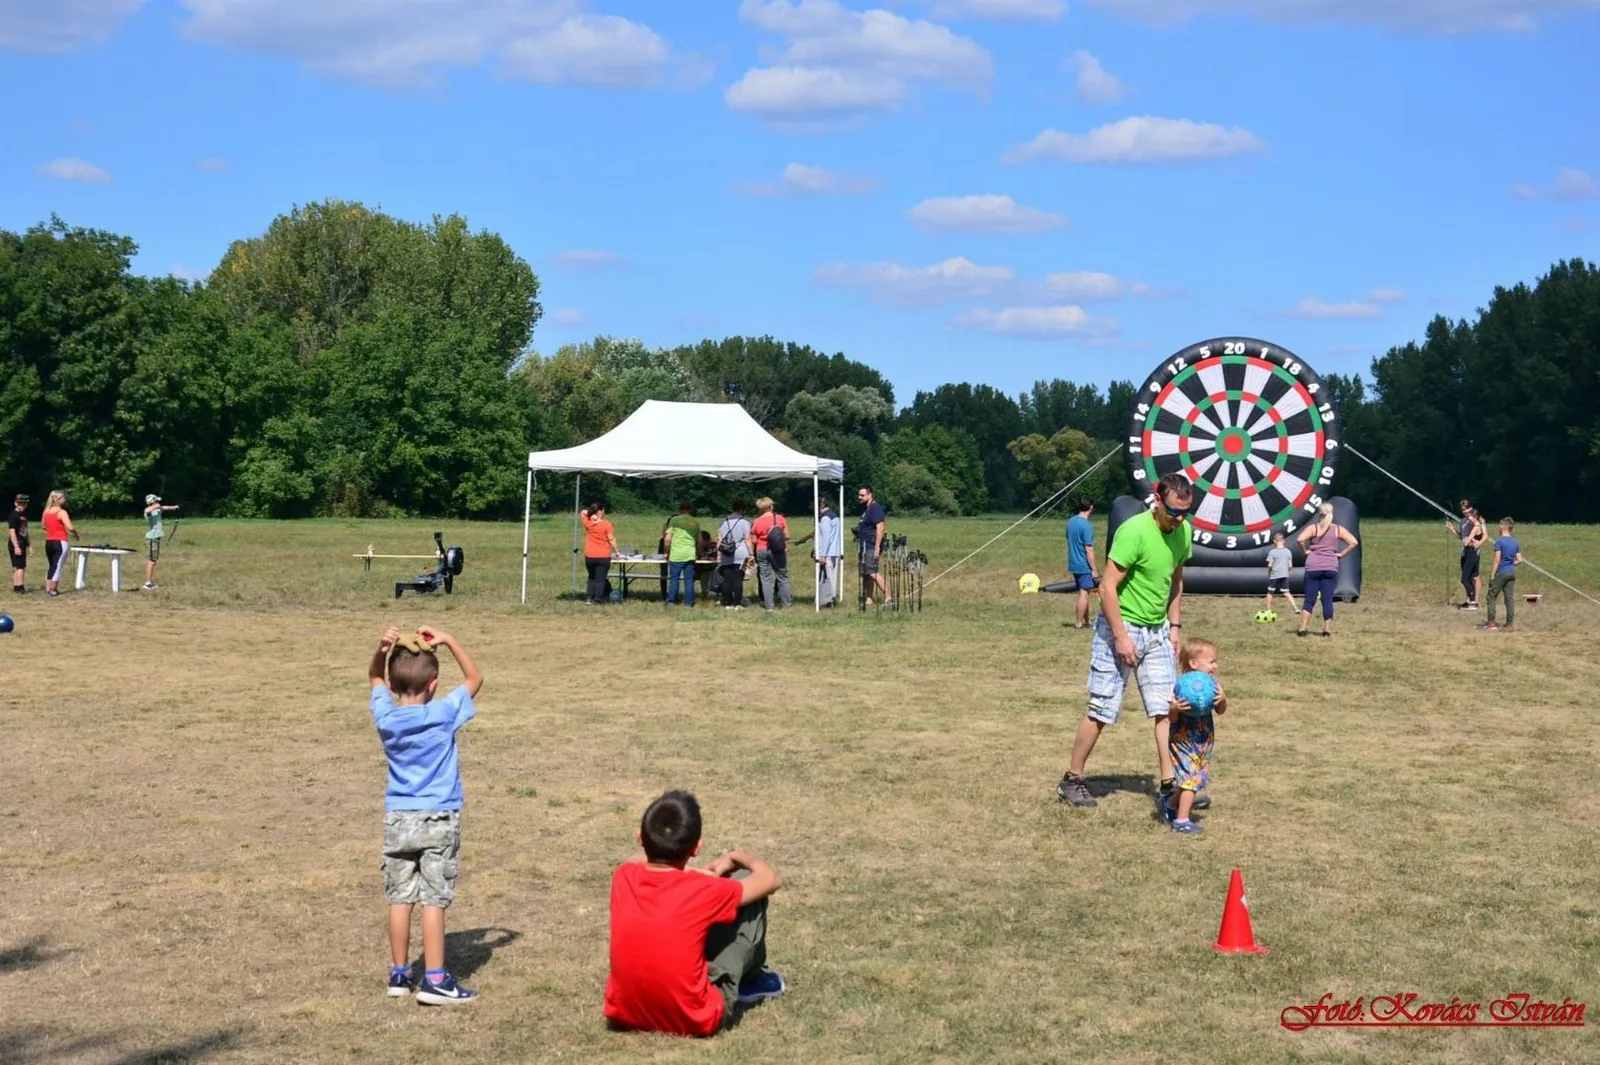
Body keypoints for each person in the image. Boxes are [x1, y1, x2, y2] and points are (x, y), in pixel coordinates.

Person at [1056, 473, 1194, 814]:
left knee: (1166, 708)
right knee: (1102, 708)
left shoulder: (1183, 532)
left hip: (1157, 630)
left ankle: (1168, 784)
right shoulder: (1133, 531)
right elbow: (1107, 588)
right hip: (1119, 627)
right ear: (1158, 500)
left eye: (1185, 513)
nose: (1179, 520)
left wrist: (1174, 626)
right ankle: (1072, 778)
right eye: (1174, 512)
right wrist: (1120, 637)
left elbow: (1176, 581)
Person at [603, 790, 785, 1037]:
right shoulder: (704, 890)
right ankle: (751, 980)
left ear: (640, 838)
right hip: (695, 1018)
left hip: (625, 1013)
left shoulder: (624, 876)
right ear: (696, 847)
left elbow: (635, 860)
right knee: (746, 886)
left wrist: (689, 870)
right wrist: (737, 857)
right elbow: (770, 880)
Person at [368, 625, 485, 1004]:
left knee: (399, 897)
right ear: (433, 684)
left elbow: (373, 676)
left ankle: (400, 974)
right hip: (439, 817)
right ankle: (435, 979)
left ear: (392, 683)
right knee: (434, 898)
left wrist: (383, 649)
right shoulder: (443, 713)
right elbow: (475, 678)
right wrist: (449, 639)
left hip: (398, 818)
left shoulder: (386, 717)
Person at [1161, 637, 1228, 836]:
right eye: (1211, 661)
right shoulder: (1178, 687)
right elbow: (1171, 718)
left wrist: (1223, 699)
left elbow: (1220, 711)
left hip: (1203, 739)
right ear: (1193, 663)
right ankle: (1181, 821)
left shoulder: (1212, 685)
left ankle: (1170, 804)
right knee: (1191, 777)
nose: (1215, 665)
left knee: (1191, 777)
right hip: (1182, 739)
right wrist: (1174, 708)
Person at [1295, 503, 1359, 637]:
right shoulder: (1338, 529)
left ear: (1319, 514)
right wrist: (1342, 554)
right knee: (1327, 599)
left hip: (1313, 566)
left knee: (1310, 599)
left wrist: (1305, 551)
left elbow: (1300, 539)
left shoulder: (1314, 528)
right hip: (1330, 567)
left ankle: (1303, 628)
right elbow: (1354, 542)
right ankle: (1326, 630)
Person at [793, 501, 843, 607]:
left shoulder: (825, 518)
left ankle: (827, 600)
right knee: (830, 577)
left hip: (827, 553)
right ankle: (829, 599)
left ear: (820, 506)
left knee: (826, 578)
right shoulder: (833, 516)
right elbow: (816, 533)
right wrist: (803, 540)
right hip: (832, 552)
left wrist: (822, 555)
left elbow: (825, 538)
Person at [748, 498, 791, 612]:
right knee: (782, 577)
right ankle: (786, 604)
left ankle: (769, 606)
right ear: (771, 507)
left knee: (765, 579)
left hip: (761, 550)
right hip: (777, 550)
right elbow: (787, 535)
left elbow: (753, 540)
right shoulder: (779, 518)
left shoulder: (756, 521)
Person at [1483, 517, 1523, 632]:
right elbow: (1520, 559)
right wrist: (1511, 563)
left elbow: (1497, 559)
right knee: (1509, 598)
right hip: (1512, 572)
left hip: (1501, 571)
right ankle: (1510, 623)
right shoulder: (1515, 542)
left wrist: (1492, 574)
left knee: (1491, 596)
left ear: (1502, 527)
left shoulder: (1499, 541)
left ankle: (1491, 622)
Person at [1065, 498, 1099, 628]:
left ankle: (1087, 621)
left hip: (1073, 562)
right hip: (1083, 564)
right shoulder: (1086, 526)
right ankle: (1079, 623)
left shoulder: (1070, 522)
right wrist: (1094, 569)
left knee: (1085, 591)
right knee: (1084, 593)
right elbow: (1088, 549)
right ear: (1091, 507)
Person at [1447, 500, 1486, 610]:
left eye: (1467, 509)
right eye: (1463, 510)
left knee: (1471, 577)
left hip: (1473, 552)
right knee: (1467, 578)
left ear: (1471, 509)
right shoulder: (1463, 521)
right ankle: (1469, 601)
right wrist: (1452, 529)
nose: (1465, 512)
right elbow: (1461, 537)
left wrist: (1478, 542)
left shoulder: (1477, 521)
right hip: (1465, 552)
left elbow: (1480, 530)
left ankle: (1474, 601)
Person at [41, 490, 80, 597]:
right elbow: (70, 527)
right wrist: (76, 534)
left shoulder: (46, 511)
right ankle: (53, 589)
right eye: (62, 498)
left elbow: (43, 526)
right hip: (60, 541)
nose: (65, 499)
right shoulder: (61, 512)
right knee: (57, 565)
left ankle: (48, 587)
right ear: (57, 499)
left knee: (51, 565)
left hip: (49, 541)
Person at [661, 503, 701, 608]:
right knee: (689, 580)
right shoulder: (695, 522)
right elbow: (700, 541)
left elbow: (667, 539)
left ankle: (671, 601)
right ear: (691, 510)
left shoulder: (674, 520)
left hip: (676, 555)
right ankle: (688, 603)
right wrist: (697, 552)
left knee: (674, 578)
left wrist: (666, 552)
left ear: (680, 510)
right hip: (690, 554)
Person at [856, 485, 890, 607]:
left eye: (862, 495)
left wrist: (877, 548)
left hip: (871, 545)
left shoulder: (875, 508)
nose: (859, 497)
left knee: (872, 571)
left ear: (870, 495)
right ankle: (869, 598)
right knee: (866, 573)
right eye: (859, 495)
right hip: (864, 544)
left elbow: (880, 528)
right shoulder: (866, 508)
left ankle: (888, 597)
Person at [715, 502, 752, 610]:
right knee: (738, 579)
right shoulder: (745, 522)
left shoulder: (724, 521)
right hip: (740, 553)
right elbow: (747, 539)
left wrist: (719, 555)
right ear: (742, 510)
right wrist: (751, 553)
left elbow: (719, 539)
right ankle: (737, 603)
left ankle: (727, 603)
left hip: (726, 553)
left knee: (727, 579)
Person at [581, 502, 619, 606]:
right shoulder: (606, 524)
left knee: (591, 577)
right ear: (600, 511)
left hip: (589, 555)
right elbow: (611, 539)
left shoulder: (588, 522)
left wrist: (591, 515)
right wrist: (617, 552)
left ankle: (589, 598)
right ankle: (598, 599)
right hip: (603, 555)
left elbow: (582, 512)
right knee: (600, 579)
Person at [142, 494, 179, 591]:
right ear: (152, 502)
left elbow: (165, 507)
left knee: (153, 560)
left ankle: (149, 581)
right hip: (152, 538)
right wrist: (155, 506)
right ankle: (147, 583)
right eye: (156, 501)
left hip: (156, 538)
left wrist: (174, 507)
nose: (158, 503)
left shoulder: (158, 509)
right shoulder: (148, 512)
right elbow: (147, 511)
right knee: (152, 561)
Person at [1263, 532, 1296, 615]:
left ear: (1274, 541)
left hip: (1274, 575)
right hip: (1285, 575)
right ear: (1284, 541)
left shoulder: (1272, 552)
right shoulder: (1288, 552)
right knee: (1287, 592)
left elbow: (1270, 565)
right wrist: (1286, 571)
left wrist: (1269, 571)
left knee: (1270, 592)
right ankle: (1295, 608)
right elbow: (1291, 566)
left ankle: (1268, 609)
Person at [7, 494, 29, 594]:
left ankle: (16, 586)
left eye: (24, 504)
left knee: (19, 566)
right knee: (20, 566)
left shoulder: (23, 516)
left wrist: (30, 545)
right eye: (20, 504)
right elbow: (12, 532)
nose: (22, 506)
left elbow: (25, 531)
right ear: (16, 503)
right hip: (17, 543)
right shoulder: (14, 515)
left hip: (22, 542)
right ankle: (20, 587)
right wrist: (16, 546)